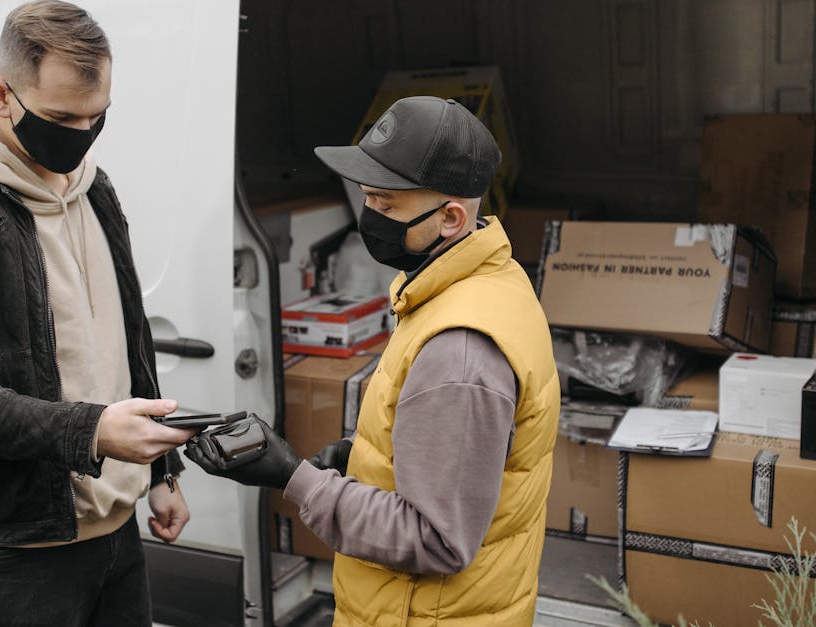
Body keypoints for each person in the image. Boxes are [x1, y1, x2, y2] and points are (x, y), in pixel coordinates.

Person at [0, 2, 195, 624]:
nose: (81, 133)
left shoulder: (95, 188)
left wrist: (161, 471)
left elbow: (128, 337)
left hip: (119, 535)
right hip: (14, 551)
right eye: (61, 117)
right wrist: (90, 432)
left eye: (98, 116)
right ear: (0, 95)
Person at [187, 96, 560, 626]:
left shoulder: (458, 348)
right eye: (367, 199)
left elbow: (436, 540)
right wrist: (368, 459)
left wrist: (293, 478)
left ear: (452, 217)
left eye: (386, 204)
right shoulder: (489, 279)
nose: (370, 217)